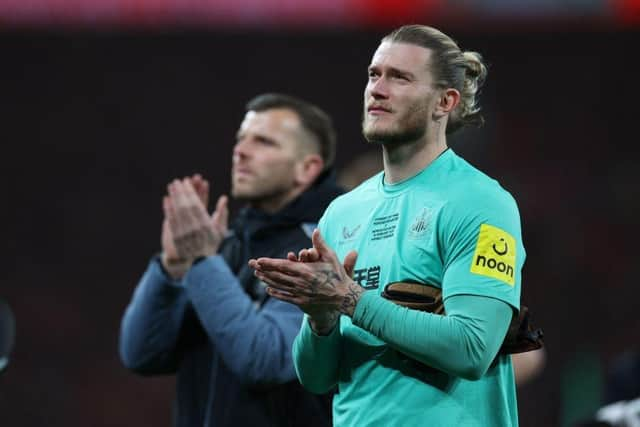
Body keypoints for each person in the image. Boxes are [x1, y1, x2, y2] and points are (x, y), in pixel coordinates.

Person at [250, 25, 525, 426]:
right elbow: (316, 377)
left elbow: (472, 348)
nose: (378, 89)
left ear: (444, 102)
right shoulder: (341, 212)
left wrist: (351, 300)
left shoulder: (483, 203)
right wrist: (321, 319)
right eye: (374, 74)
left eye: (400, 77)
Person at [119, 93, 342, 427]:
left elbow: (266, 360)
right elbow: (141, 355)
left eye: (263, 142)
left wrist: (204, 262)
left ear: (306, 169)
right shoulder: (227, 244)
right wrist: (174, 266)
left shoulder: (322, 248)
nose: (241, 151)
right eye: (241, 139)